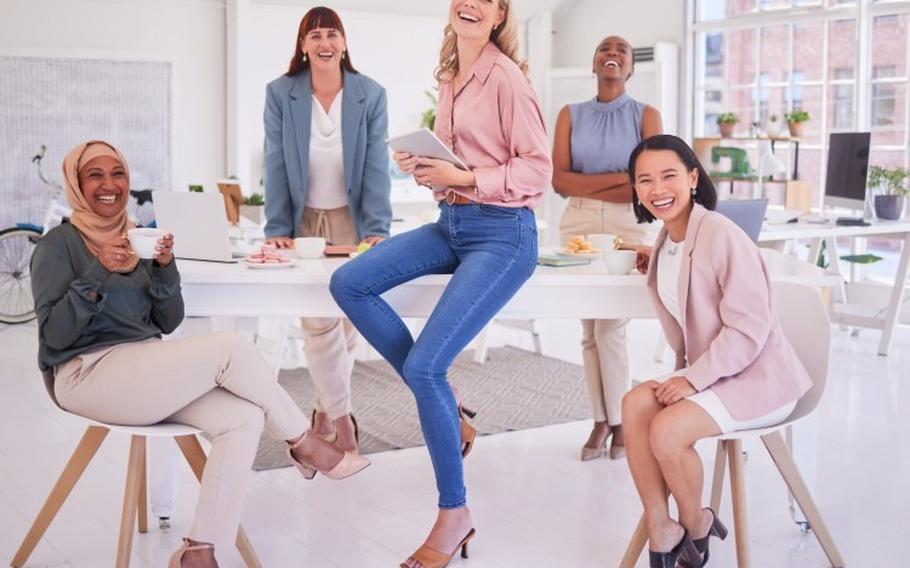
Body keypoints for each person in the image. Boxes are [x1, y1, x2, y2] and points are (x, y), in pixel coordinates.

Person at [31, 141, 370, 568]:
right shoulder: (57, 245)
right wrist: (100, 270)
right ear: (76, 185)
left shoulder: (135, 238)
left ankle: (199, 550)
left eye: (117, 173)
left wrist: (164, 267)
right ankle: (304, 441)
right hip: (85, 376)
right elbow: (56, 336)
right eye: (94, 175)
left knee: (243, 418)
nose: (109, 184)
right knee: (230, 348)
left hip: (142, 368)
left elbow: (168, 322)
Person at [329, 0, 551, 565]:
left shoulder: (507, 79)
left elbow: (537, 169)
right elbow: (458, 167)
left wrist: (466, 176)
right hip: (452, 223)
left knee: (427, 366)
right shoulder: (451, 73)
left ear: (500, 14)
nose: (468, 4)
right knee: (350, 281)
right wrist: (429, 167)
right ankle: (450, 412)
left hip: (504, 234)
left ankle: (455, 515)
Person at [621, 135, 813, 568]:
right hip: (717, 375)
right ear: (635, 189)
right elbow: (690, 287)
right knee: (634, 404)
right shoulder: (668, 240)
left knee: (667, 430)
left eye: (669, 175)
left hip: (757, 380)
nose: (657, 189)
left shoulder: (722, 234)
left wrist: (690, 378)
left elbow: (749, 329)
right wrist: (654, 263)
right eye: (644, 180)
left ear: (693, 178)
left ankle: (697, 523)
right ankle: (661, 526)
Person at [263, 6, 392, 453]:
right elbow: (275, 161)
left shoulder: (370, 94)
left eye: (332, 34)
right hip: (303, 221)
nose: (324, 43)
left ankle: (322, 410)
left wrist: (376, 227)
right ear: (302, 46)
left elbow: (376, 164)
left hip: (352, 219)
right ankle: (343, 420)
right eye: (314, 35)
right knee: (318, 321)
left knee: (349, 320)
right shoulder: (281, 93)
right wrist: (278, 225)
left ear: (344, 43)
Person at [551, 35, 662, 462]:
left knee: (610, 326)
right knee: (589, 329)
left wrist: (610, 182)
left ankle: (618, 422)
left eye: (621, 51)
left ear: (631, 68)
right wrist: (619, 178)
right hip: (577, 221)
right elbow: (560, 182)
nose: (611, 55)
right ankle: (602, 421)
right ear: (593, 63)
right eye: (604, 49)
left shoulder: (646, 116)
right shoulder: (570, 115)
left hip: (626, 225)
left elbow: (646, 182)